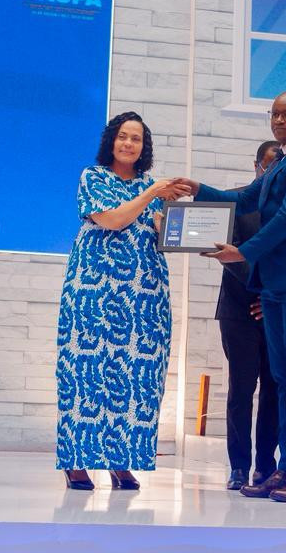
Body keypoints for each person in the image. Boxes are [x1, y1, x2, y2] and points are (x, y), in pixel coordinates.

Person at [180, 91, 286, 504]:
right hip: (276, 285)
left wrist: (244, 252)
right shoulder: (281, 160)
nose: (279, 120)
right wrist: (199, 188)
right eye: (275, 113)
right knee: (283, 378)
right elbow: (245, 199)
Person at [56, 111, 188, 491]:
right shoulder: (94, 177)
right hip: (94, 289)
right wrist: (150, 195)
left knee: (136, 377)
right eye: (123, 136)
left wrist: (174, 224)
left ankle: (121, 460)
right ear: (111, 140)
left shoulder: (152, 187)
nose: (129, 143)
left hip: (143, 294)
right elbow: (113, 220)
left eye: (137, 139)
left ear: (144, 147)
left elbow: (163, 235)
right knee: (85, 371)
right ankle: (77, 460)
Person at [218, 140, 280, 491]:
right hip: (239, 311)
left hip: (277, 312)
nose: (273, 172)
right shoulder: (234, 200)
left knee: (274, 389)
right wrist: (263, 291)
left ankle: (266, 466)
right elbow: (228, 255)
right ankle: (239, 467)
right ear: (256, 166)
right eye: (268, 165)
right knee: (241, 390)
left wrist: (273, 298)